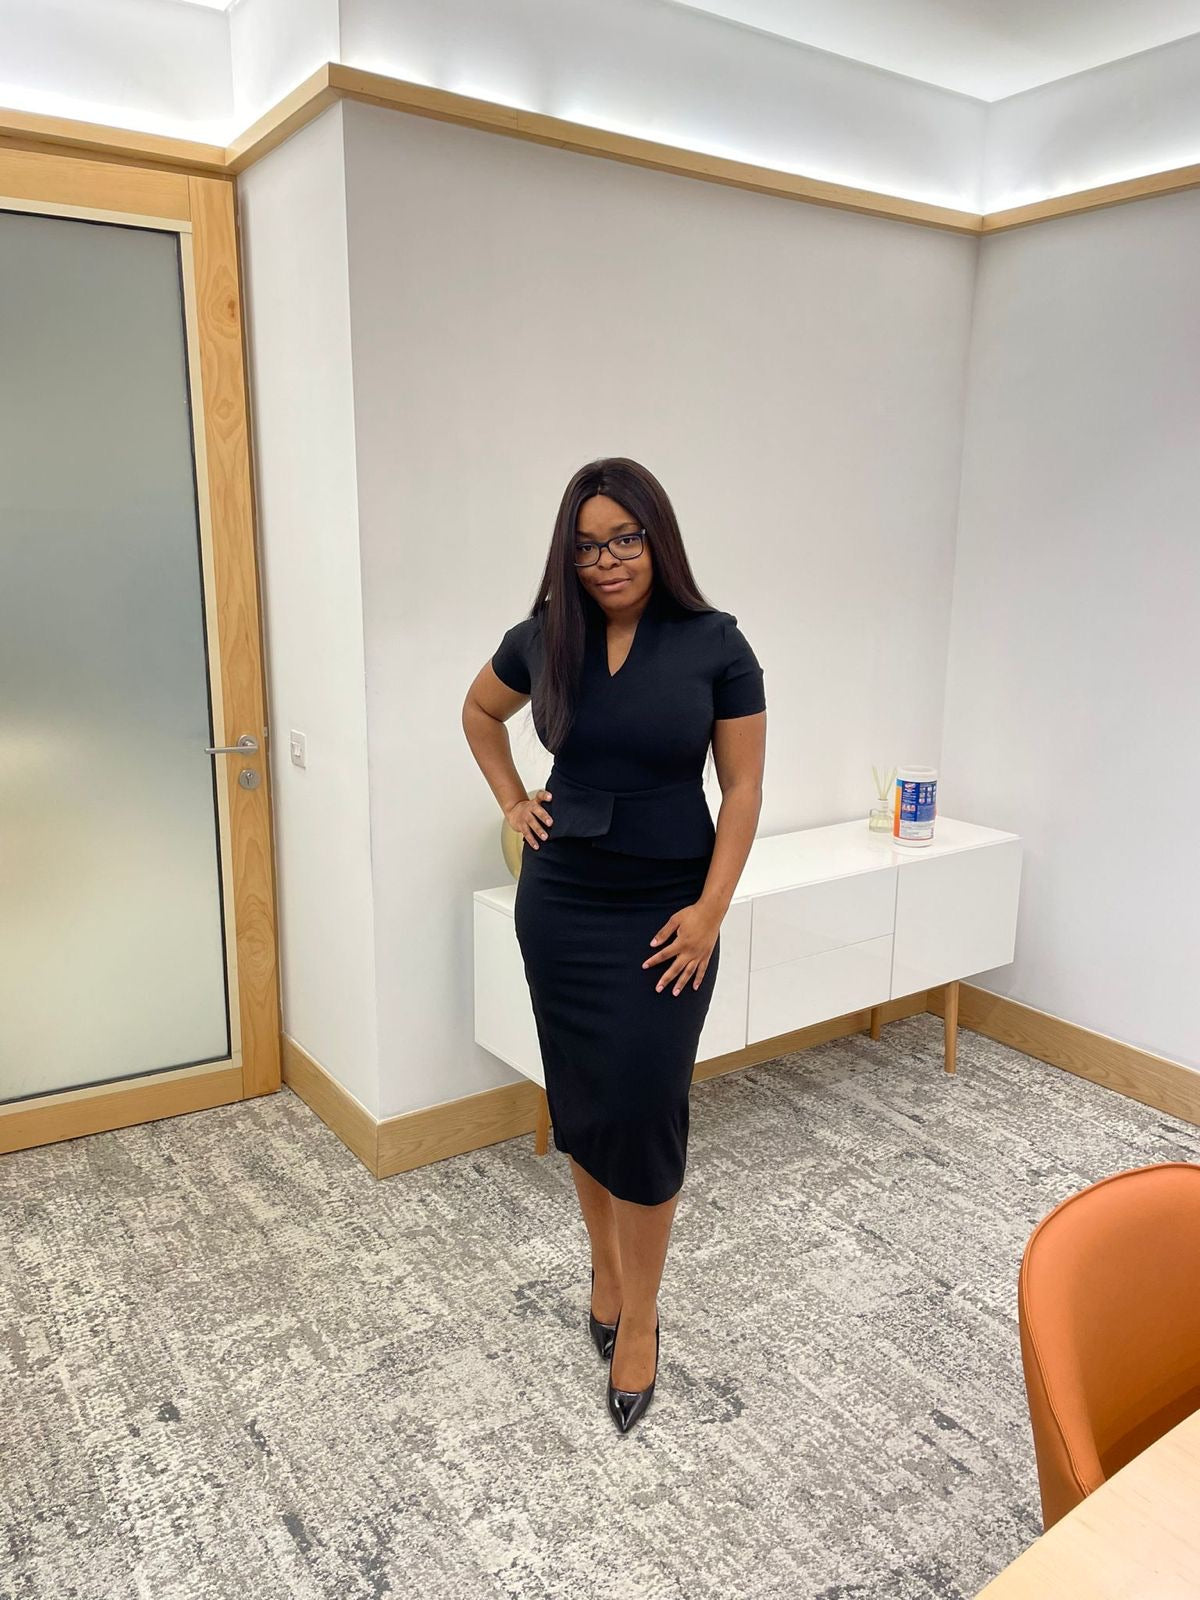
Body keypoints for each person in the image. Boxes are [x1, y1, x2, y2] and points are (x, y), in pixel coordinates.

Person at [462, 457, 767, 1432]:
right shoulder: (546, 638)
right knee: (586, 1103)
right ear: (569, 550)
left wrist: (712, 911)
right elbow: (478, 711)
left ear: (656, 537)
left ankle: (642, 1316)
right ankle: (603, 1262)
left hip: (668, 915)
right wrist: (513, 798)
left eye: (624, 538)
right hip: (563, 908)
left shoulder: (717, 645)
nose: (606, 560)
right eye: (588, 544)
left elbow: (746, 791)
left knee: (644, 1107)